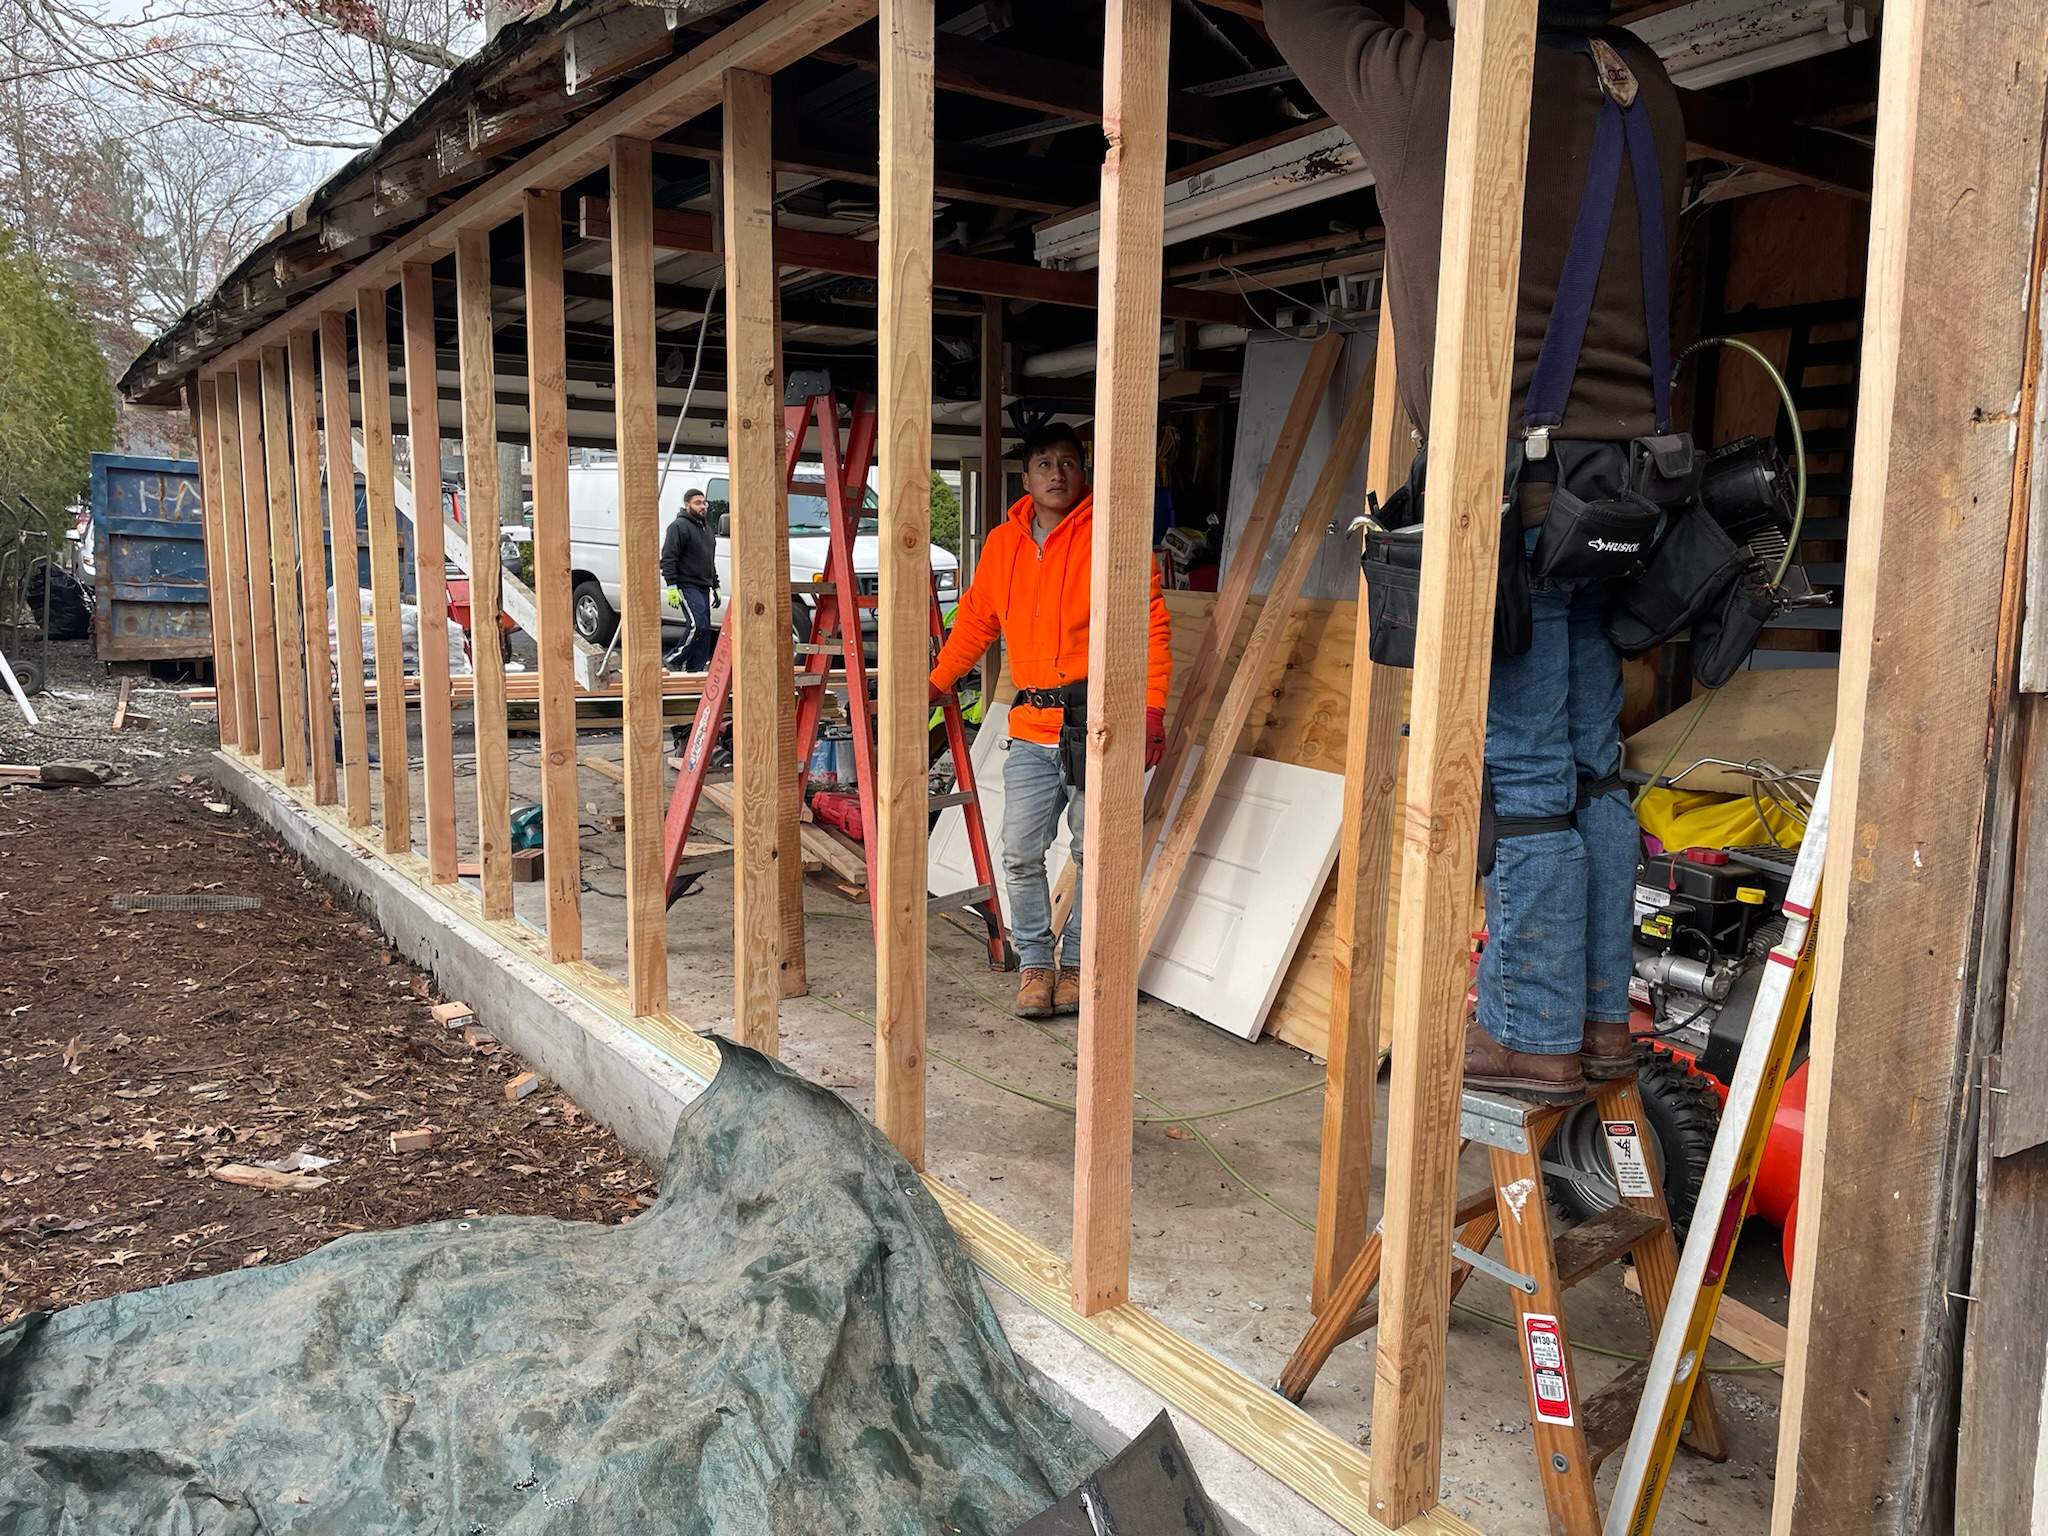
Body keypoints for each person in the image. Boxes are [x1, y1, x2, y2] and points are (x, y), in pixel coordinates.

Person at [1268, 0, 1684, 1100]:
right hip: (1616, 503)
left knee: (1527, 785)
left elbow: (1291, 15)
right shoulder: (1646, 85)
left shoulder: (1432, 89)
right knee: (1593, 773)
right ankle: (1597, 1025)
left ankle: (1529, 1027)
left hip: (1507, 503)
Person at [928, 424, 1172, 1019]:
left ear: (1082, 471)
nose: (1056, 473)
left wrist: (1151, 710)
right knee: (1018, 851)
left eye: (1067, 462)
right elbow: (977, 624)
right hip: (1033, 727)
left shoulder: (1112, 536)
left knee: (1096, 854)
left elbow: (1151, 624)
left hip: (1099, 724)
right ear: (1027, 477)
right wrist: (936, 685)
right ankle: (1035, 963)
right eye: (1044, 463)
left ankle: (1082, 970)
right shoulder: (1003, 545)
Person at [661, 487, 719, 671]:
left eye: (704, 503)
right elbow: (668, 558)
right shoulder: (678, 527)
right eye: (697, 503)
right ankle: (672, 659)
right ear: (687, 505)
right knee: (697, 626)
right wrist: (671, 586)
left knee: (705, 632)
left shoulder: (707, 530)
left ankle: (695, 669)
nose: (703, 506)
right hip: (686, 584)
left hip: (703, 586)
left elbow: (709, 560)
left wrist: (715, 585)